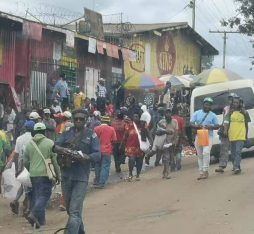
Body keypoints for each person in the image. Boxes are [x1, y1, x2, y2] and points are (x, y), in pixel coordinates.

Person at [54, 109, 100, 234]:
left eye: (82, 119)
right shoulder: (67, 133)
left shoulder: (91, 135)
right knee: (71, 210)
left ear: (86, 120)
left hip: (81, 177)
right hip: (66, 175)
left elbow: (97, 154)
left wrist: (85, 157)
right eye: (77, 119)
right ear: (73, 120)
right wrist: (65, 151)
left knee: (74, 212)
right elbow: (55, 145)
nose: (79, 121)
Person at [23, 122, 60, 228]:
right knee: (44, 196)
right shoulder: (50, 143)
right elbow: (55, 161)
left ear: (34, 131)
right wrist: (58, 175)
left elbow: (25, 161)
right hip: (45, 175)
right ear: (44, 131)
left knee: (38, 196)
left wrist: (31, 169)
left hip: (33, 174)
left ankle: (41, 221)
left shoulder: (29, 144)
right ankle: (33, 214)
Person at [9, 120, 34, 215]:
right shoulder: (33, 139)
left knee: (24, 184)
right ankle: (26, 206)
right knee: (29, 184)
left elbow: (16, 154)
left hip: (21, 163)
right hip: (31, 164)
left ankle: (16, 201)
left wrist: (17, 168)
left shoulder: (19, 139)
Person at [190, 97, 219, 180]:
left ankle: (205, 170)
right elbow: (191, 123)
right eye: (206, 104)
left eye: (209, 105)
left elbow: (217, 126)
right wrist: (197, 126)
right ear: (203, 104)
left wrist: (211, 126)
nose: (207, 106)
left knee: (206, 152)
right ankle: (201, 172)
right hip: (199, 135)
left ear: (211, 106)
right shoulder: (197, 113)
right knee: (200, 155)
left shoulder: (213, 115)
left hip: (208, 136)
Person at [223, 96, 251, 174]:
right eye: (234, 102)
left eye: (237, 102)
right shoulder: (230, 113)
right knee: (233, 154)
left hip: (241, 135)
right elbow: (226, 122)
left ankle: (235, 167)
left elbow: (246, 124)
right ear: (232, 103)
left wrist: (246, 135)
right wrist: (225, 131)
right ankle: (237, 166)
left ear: (240, 104)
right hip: (232, 135)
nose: (235, 104)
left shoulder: (245, 113)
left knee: (238, 151)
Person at [94, 116, 117, 188]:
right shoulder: (111, 129)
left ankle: (97, 181)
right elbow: (114, 140)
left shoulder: (96, 129)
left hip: (97, 150)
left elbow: (93, 140)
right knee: (105, 166)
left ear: (101, 121)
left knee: (97, 165)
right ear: (108, 122)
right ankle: (101, 183)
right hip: (107, 150)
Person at [121, 113, 144, 181]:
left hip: (140, 147)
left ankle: (138, 175)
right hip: (130, 147)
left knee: (140, 161)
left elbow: (147, 134)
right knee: (131, 160)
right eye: (134, 117)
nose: (136, 118)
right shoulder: (128, 126)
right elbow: (125, 136)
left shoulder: (142, 126)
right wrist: (122, 145)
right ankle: (130, 173)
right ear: (132, 118)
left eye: (137, 116)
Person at [215, 93, 235, 173]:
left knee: (234, 149)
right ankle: (222, 166)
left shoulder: (239, 109)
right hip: (225, 129)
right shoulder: (226, 108)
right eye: (229, 99)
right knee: (224, 148)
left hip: (234, 130)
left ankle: (235, 165)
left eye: (232, 99)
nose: (231, 101)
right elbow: (225, 119)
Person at [157, 108, 178, 178]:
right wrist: (165, 131)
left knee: (171, 158)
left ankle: (164, 171)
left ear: (171, 114)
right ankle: (167, 174)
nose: (168, 114)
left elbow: (176, 132)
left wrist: (175, 142)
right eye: (166, 113)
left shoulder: (175, 122)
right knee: (166, 157)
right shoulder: (161, 122)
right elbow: (157, 132)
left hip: (171, 142)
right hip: (163, 142)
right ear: (164, 114)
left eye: (169, 113)